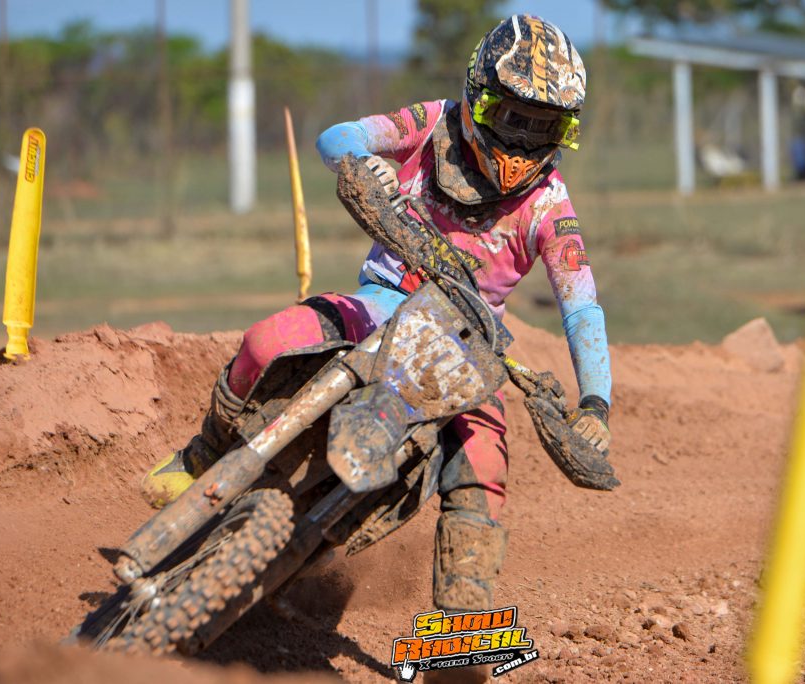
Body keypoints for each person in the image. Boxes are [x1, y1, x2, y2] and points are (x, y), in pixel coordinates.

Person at [141, 11, 611, 644]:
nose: (523, 141)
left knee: (482, 467)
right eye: (512, 118)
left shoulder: (550, 204)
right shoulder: (432, 124)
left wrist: (595, 402)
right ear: (479, 98)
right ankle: (204, 450)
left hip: (466, 350)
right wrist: (366, 161)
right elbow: (336, 137)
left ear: (566, 132)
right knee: (267, 341)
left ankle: (464, 631)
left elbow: (581, 304)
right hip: (382, 300)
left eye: (544, 126)